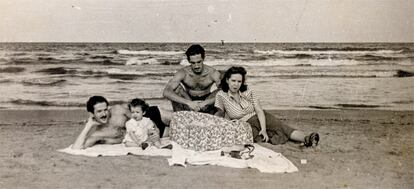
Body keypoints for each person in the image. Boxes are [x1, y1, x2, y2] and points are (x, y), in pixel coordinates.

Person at [214, 66, 320, 147]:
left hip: (260, 117)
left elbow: (259, 111)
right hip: (244, 124)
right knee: (260, 139)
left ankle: (307, 139)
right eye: (233, 81)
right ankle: (275, 136)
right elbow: (221, 114)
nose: (236, 84)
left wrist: (263, 129)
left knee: (282, 127)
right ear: (227, 80)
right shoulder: (221, 95)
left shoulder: (249, 92)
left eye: (239, 81)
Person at [72, 96, 171, 149]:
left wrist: (156, 130)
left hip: (149, 117)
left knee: (182, 118)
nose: (104, 114)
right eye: (99, 111)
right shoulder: (98, 134)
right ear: (91, 114)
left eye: (105, 109)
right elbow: (76, 148)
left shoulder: (117, 110)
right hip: (145, 134)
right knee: (181, 131)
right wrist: (88, 125)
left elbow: (138, 117)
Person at [163, 44, 221, 114]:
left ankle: (214, 117)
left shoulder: (213, 73)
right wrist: (188, 103)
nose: (196, 66)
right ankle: (181, 117)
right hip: (188, 102)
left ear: (203, 58)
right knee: (176, 88)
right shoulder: (183, 72)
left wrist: (206, 103)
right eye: (193, 63)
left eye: (199, 62)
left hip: (207, 103)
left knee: (221, 90)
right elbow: (166, 92)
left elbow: (226, 93)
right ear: (188, 60)